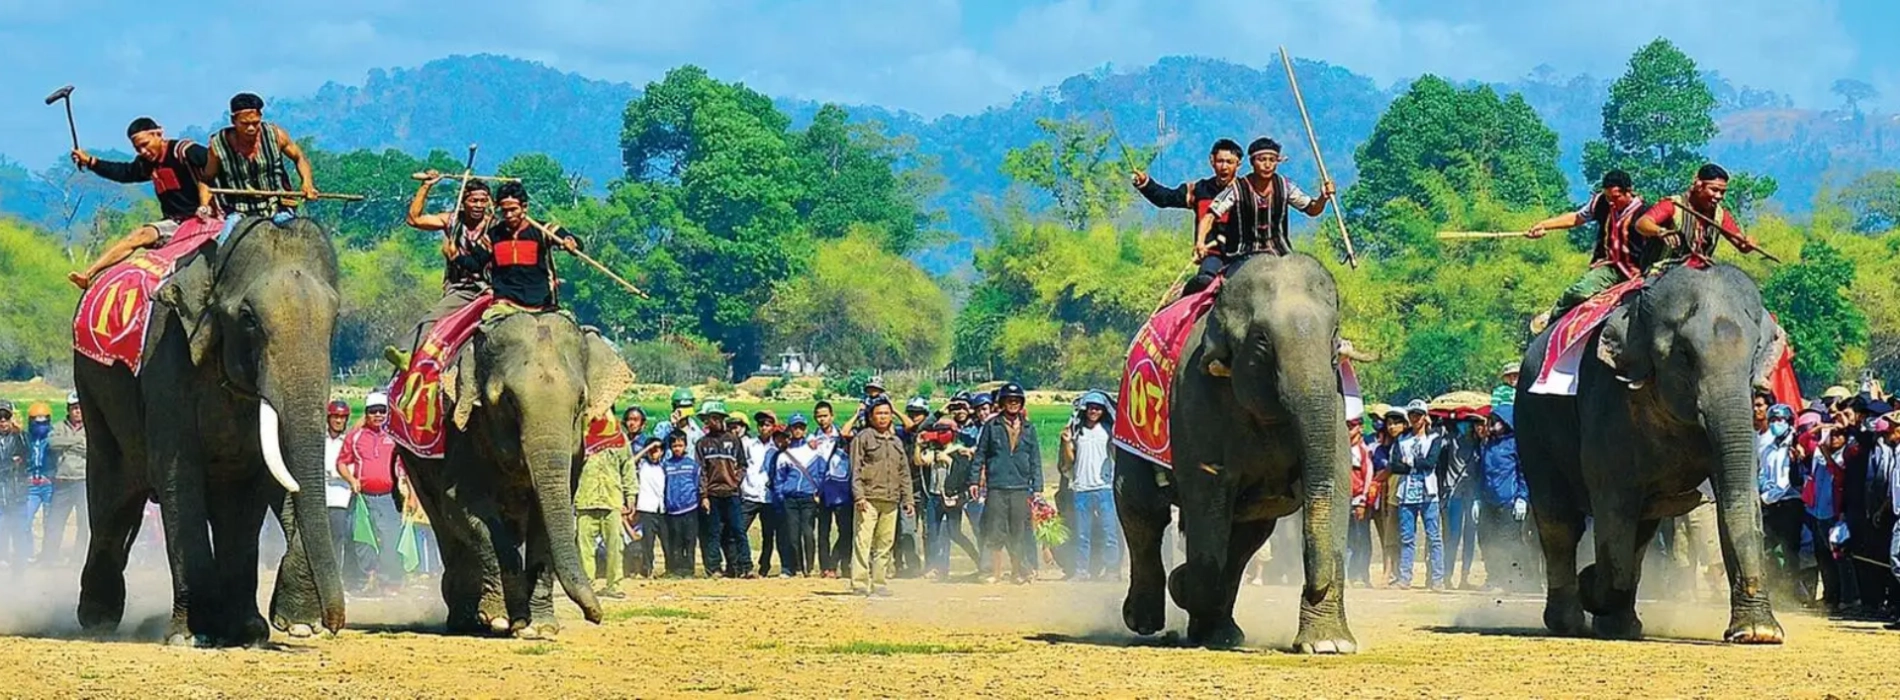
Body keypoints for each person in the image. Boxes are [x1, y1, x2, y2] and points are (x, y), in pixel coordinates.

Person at [66, 118, 214, 290]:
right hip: (175, 224)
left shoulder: (184, 151)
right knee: (139, 236)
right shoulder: (146, 164)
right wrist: (91, 162)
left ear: (158, 133)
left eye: (146, 144)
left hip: (204, 219)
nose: (143, 151)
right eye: (138, 148)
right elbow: (124, 173)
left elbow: (215, 166)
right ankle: (89, 275)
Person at [1188, 138, 1334, 293]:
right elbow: (1210, 216)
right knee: (1218, 291)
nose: (1267, 165)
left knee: (1310, 287)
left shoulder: (1285, 186)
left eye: (1272, 160)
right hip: (1244, 256)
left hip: (1281, 254)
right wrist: (1200, 242)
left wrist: (1323, 198)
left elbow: (1312, 210)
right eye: (1262, 160)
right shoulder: (1237, 189)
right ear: (1252, 162)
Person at [394, 172, 495, 362]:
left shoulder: (495, 226)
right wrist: (426, 186)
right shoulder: (452, 221)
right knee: (432, 320)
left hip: (491, 287)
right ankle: (409, 354)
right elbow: (414, 219)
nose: (478, 206)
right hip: (461, 289)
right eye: (474, 201)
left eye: (483, 201)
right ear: (464, 201)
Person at [1525, 170, 1644, 327]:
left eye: (1616, 198)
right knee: (1579, 291)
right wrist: (1543, 225)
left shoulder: (1646, 213)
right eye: (1608, 198)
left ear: (1629, 191)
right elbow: (1576, 218)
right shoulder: (1602, 202)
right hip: (1609, 267)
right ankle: (1553, 316)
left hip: (1638, 273)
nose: (1611, 203)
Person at [1134, 139, 1244, 296]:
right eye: (1220, 161)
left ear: (1238, 164)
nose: (1224, 167)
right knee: (1203, 282)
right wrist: (1146, 184)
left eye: (1229, 162)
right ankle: (1183, 305)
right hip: (1212, 256)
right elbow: (1166, 198)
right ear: (1212, 161)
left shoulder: (1247, 192)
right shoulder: (1199, 190)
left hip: (1241, 256)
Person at [450, 182, 581, 310]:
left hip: (543, 303)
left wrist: (570, 242)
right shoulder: (493, 235)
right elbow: (475, 264)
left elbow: (576, 243)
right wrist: (456, 255)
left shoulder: (544, 230)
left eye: (513, 210)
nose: (508, 215)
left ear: (524, 207)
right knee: (487, 326)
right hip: (505, 303)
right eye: (504, 211)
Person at [202, 92, 317, 218]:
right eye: (245, 124)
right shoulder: (218, 145)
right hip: (239, 211)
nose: (251, 128)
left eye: (255, 123)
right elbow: (207, 180)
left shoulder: (277, 136)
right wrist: (204, 205)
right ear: (233, 121)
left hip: (278, 206)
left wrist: (307, 183)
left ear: (260, 117)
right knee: (228, 235)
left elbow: (299, 158)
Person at [1631, 163, 1762, 268]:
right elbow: (1642, 224)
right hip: (1663, 273)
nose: (1719, 197)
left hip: (1701, 275)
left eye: (1722, 192)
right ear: (1699, 185)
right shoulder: (1673, 205)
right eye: (1714, 190)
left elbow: (1742, 245)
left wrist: (1749, 243)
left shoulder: (1721, 215)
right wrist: (1660, 231)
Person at [338, 392, 404, 595]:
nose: (378, 415)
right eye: (373, 411)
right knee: (364, 542)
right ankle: (368, 578)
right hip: (363, 497)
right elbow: (341, 462)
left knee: (391, 540)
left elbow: (403, 464)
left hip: (388, 497)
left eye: (382, 411)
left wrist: (405, 485)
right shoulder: (355, 436)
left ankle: (388, 581)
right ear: (366, 414)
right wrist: (352, 480)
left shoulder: (394, 437)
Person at [977, 383, 1041, 584]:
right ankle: (995, 573)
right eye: (1009, 400)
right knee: (996, 530)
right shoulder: (992, 425)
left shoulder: (1029, 428)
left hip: (1020, 486)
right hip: (997, 485)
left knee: (1018, 532)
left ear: (1021, 403)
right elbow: (980, 454)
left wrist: (1038, 487)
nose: (1013, 404)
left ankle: (1016, 572)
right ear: (1002, 403)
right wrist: (974, 480)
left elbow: (1035, 459)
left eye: (1016, 400)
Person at [849, 398, 913, 596]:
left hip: (891, 500)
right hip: (867, 499)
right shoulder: (863, 437)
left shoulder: (896, 441)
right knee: (863, 542)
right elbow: (855, 468)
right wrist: (859, 496)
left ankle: (879, 583)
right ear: (870, 416)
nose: (883, 417)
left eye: (886, 413)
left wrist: (908, 499)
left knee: (885, 544)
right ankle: (859, 583)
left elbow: (904, 472)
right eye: (879, 413)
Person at [575, 413, 637, 598]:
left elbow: (628, 466)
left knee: (615, 545)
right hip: (585, 499)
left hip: (612, 500)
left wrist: (631, 496)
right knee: (584, 548)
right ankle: (588, 586)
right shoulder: (579, 436)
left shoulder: (618, 437)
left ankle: (614, 585)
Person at [1062, 391, 1120, 581]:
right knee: (1082, 535)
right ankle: (1081, 571)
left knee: (1109, 532)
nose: (1094, 411)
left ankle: (1112, 571)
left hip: (1104, 488)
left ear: (1103, 410)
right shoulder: (1078, 431)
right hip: (1081, 488)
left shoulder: (1108, 431)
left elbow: (1115, 455)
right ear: (1086, 409)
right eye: (1091, 407)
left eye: (1098, 408)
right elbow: (1070, 460)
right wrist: (1066, 442)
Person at [1390, 400, 1447, 590]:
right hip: (1406, 494)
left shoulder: (1434, 438)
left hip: (1428, 494)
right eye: (1412, 415)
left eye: (1418, 415)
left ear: (1424, 417)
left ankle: (1437, 578)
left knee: (1434, 537)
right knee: (1407, 538)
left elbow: (1431, 463)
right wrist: (1414, 462)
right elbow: (1395, 465)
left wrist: (1409, 461)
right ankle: (1405, 578)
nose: (1415, 418)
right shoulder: (1402, 440)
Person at [1477, 406, 1529, 592]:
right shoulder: (1487, 444)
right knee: (1486, 540)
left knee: (1509, 541)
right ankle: (1493, 577)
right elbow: (1482, 474)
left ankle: (1513, 579)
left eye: (1494, 421)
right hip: (1487, 502)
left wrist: (1522, 498)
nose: (1490, 425)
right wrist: (1477, 498)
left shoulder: (1515, 444)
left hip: (1509, 502)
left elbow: (1523, 474)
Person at [694, 401, 748, 578]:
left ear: (722, 419)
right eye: (710, 419)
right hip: (713, 494)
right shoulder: (702, 443)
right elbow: (701, 471)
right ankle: (714, 568)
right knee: (713, 533)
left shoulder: (734, 440)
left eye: (716, 418)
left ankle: (745, 567)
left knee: (738, 530)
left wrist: (735, 482)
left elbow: (742, 465)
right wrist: (704, 495)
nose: (713, 421)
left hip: (732, 493)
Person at [774, 414, 822, 577]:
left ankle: (809, 567)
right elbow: (779, 479)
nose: (798, 430)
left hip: (808, 497)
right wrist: (781, 496)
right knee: (793, 535)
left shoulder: (815, 451)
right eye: (795, 427)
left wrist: (819, 492)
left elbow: (821, 473)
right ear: (790, 429)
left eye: (801, 427)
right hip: (790, 499)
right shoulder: (783, 455)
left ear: (805, 429)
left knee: (808, 533)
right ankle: (798, 567)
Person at [43, 393, 88, 565]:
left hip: (83, 480)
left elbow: (90, 448)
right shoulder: (58, 426)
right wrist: (78, 441)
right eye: (74, 408)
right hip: (62, 481)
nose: (77, 411)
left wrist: (68, 444)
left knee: (84, 523)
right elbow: (53, 442)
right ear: (68, 410)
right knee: (54, 521)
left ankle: (78, 559)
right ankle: (49, 557)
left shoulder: (92, 426)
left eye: (79, 407)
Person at [812, 401, 854, 579]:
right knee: (823, 531)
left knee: (846, 530)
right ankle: (825, 567)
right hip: (822, 489)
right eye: (819, 416)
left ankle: (840, 563)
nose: (822, 419)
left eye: (825, 415)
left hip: (842, 488)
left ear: (832, 416)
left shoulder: (843, 436)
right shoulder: (812, 439)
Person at [1441, 413, 1482, 589]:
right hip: (1453, 494)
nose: (1465, 426)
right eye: (1462, 422)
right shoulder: (1450, 440)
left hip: (1472, 495)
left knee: (1469, 537)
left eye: (1469, 423)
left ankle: (1465, 577)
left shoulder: (1480, 444)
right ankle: (1447, 576)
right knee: (1453, 536)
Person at [738, 412, 782, 578]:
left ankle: (764, 567)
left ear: (773, 427)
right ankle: (744, 565)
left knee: (768, 535)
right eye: (761, 424)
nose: (764, 428)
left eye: (768, 424)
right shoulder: (749, 444)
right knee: (740, 530)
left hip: (769, 496)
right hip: (750, 493)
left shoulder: (777, 446)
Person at [322, 399, 360, 588]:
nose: (338, 420)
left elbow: (351, 468)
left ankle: (336, 577)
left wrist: (336, 472)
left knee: (338, 539)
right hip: (321, 497)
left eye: (342, 417)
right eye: (335, 416)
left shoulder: (350, 442)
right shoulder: (319, 440)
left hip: (341, 498)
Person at [1370, 407, 1406, 586]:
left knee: (1403, 536)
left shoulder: (1406, 442)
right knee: (1388, 535)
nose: (1391, 427)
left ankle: (1402, 572)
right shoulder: (1380, 448)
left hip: (1405, 493)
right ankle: (1389, 570)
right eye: (1388, 423)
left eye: (1395, 423)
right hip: (1386, 495)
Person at [658, 431, 701, 578]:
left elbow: (696, 485)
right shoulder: (666, 465)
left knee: (689, 540)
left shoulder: (692, 465)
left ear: (685, 446)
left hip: (690, 508)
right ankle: (676, 570)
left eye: (680, 445)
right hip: (672, 510)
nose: (677, 448)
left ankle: (688, 570)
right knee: (675, 542)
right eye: (674, 446)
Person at [629, 408, 665, 579]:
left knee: (663, 539)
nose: (632, 423)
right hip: (636, 497)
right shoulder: (622, 442)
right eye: (629, 419)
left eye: (636, 420)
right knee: (644, 539)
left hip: (656, 503)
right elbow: (628, 465)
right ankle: (642, 568)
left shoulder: (649, 445)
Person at [18, 403, 55, 571]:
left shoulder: (54, 437)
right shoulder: (24, 438)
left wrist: (50, 475)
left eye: (44, 422)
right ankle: (27, 552)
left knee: (51, 521)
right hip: (31, 485)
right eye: (36, 422)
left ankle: (48, 554)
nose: (40, 426)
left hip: (50, 485)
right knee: (24, 520)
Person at [1346, 414, 1378, 587]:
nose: (1348, 430)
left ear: (1359, 428)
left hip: (1358, 500)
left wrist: (1363, 500)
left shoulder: (1363, 451)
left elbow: (1368, 477)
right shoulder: (1341, 448)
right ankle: (1347, 575)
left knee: (1362, 539)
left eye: (1351, 426)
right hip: (1343, 501)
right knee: (1347, 540)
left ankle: (1362, 575)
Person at [0, 402, 25, 568]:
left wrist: (20, 431)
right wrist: (10, 462)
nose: (2, 421)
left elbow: (27, 456)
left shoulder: (19, 437)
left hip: (16, 490)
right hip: (1, 491)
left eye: (6, 417)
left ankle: (20, 559)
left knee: (19, 527)